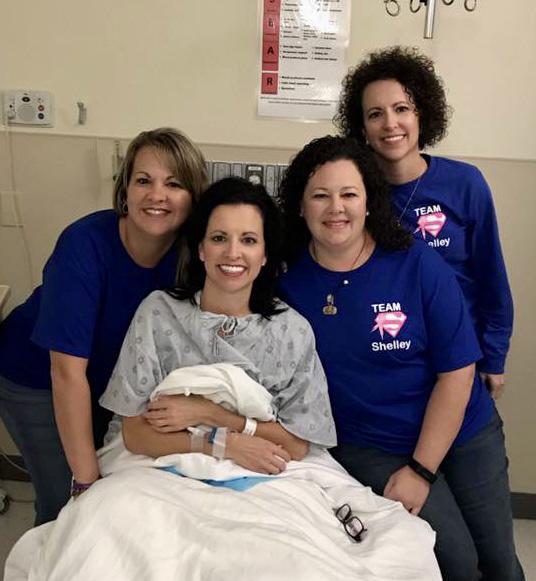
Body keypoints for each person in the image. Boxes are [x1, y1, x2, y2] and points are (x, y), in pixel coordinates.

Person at [278, 135, 524, 581]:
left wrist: (421, 469)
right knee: (456, 562)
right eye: (320, 195)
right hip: (374, 444)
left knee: (499, 562)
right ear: (300, 205)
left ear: (369, 202)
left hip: (463, 428)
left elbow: (457, 372)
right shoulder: (288, 285)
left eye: (349, 194)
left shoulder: (417, 263)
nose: (336, 208)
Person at [0, 127, 208, 524]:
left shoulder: (189, 255)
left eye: (174, 184)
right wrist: (84, 483)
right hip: (35, 380)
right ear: (125, 189)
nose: (157, 195)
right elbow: (65, 374)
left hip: (103, 384)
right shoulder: (84, 246)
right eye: (143, 180)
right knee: (66, 503)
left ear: (193, 197)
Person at [99, 176, 336, 471]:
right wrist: (222, 445)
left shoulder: (291, 331)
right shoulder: (158, 313)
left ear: (265, 254)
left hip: (263, 475)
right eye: (219, 238)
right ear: (201, 249)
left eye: (248, 240)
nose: (233, 253)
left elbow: (297, 444)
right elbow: (135, 434)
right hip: (163, 470)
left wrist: (211, 414)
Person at [335, 45, 513, 401]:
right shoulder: (354, 194)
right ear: (362, 127)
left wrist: (494, 357)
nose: (390, 124)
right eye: (375, 114)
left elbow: (491, 278)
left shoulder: (465, 183)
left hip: (460, 359)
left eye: (402, 109)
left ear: (422, 115)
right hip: (387, 362)